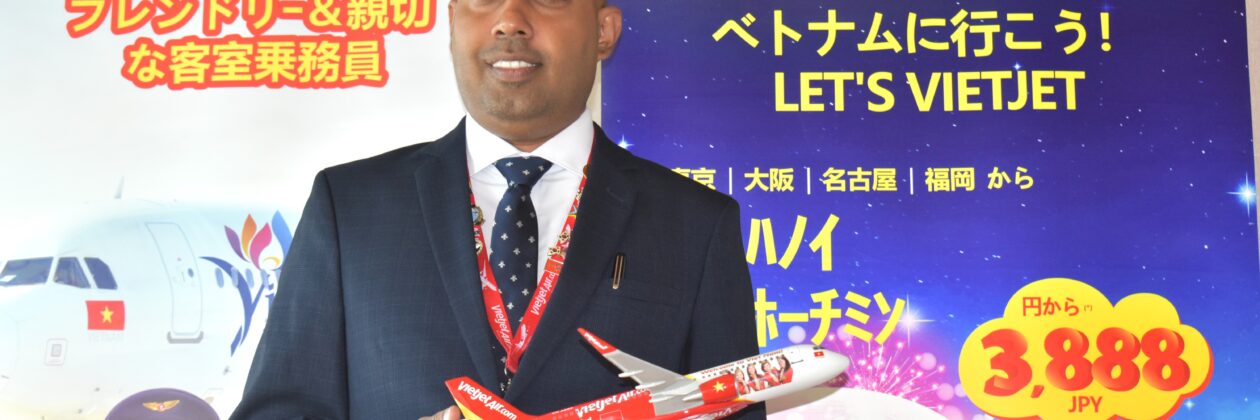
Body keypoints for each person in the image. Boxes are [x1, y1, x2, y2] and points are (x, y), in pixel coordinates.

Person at [229, 0, 762, 419]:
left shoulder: (696, 224)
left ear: (604, 31)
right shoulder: (350, 207)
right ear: (452, 24)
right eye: (483, 0)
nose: (510, 20)